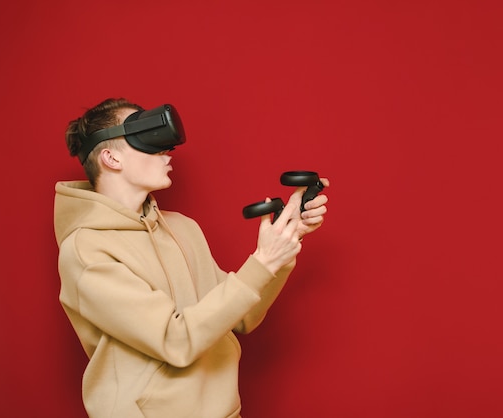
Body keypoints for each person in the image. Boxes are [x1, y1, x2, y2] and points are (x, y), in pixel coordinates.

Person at [54, 97, 329, 418]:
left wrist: (285, 243)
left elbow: (242, 316)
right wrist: (263, 262)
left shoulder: (182, 228)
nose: (166, 152)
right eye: (148, 140)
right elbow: (176, 341)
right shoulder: (86, 250)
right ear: (111, 157)